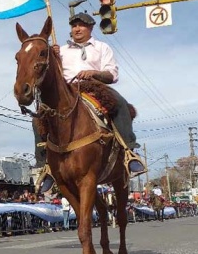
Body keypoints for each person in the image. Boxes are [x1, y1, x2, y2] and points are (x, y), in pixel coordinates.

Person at [51, 12, 145, 177]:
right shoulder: (62, 50)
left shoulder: (102, 47)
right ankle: (45, 165)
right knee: (40, 116)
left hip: (94, 87)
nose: (77, 29)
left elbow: (111, 75)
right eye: (74, 26)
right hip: (67, 89)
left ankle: (129, 152)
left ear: (91, 28)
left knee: (120, 103)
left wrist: (94, 73)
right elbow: (52, 75)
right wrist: (53, 57)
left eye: (81, 25)